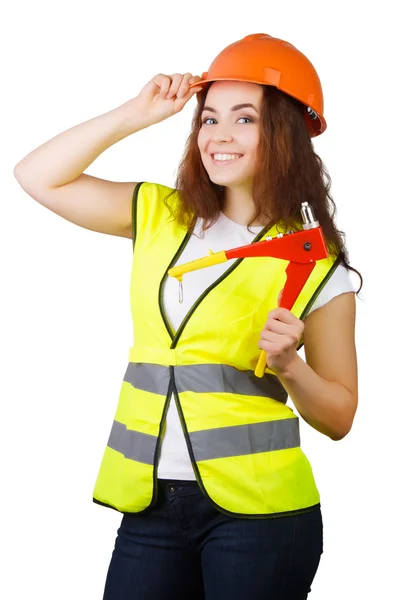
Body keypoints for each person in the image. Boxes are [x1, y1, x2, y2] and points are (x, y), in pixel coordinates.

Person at [14, 33, 361, 600]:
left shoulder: (313, 264)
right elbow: (37, 176)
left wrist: (290, 366)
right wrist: (136, 113)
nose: (219, 136)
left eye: (244, 119)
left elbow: (341, 417)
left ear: (284, 134)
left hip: (262, 517)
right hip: (150, 504)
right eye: (209, 118)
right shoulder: (158, 214)